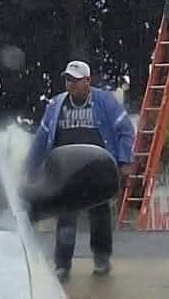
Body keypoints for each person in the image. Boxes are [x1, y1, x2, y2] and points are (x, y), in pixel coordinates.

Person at [27, 60, 135, 281]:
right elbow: (42, 138)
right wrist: (31, 168)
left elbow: (125, 130)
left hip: (97, 170)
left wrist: (123, 161)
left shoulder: (104, 101)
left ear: (87, 81)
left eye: (76, 80)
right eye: (68, 80)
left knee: (100, 216)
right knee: (66, 218)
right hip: (66, 172)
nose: (71, 84)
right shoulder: (56, 105)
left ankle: (101, 258)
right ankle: (62, 265)